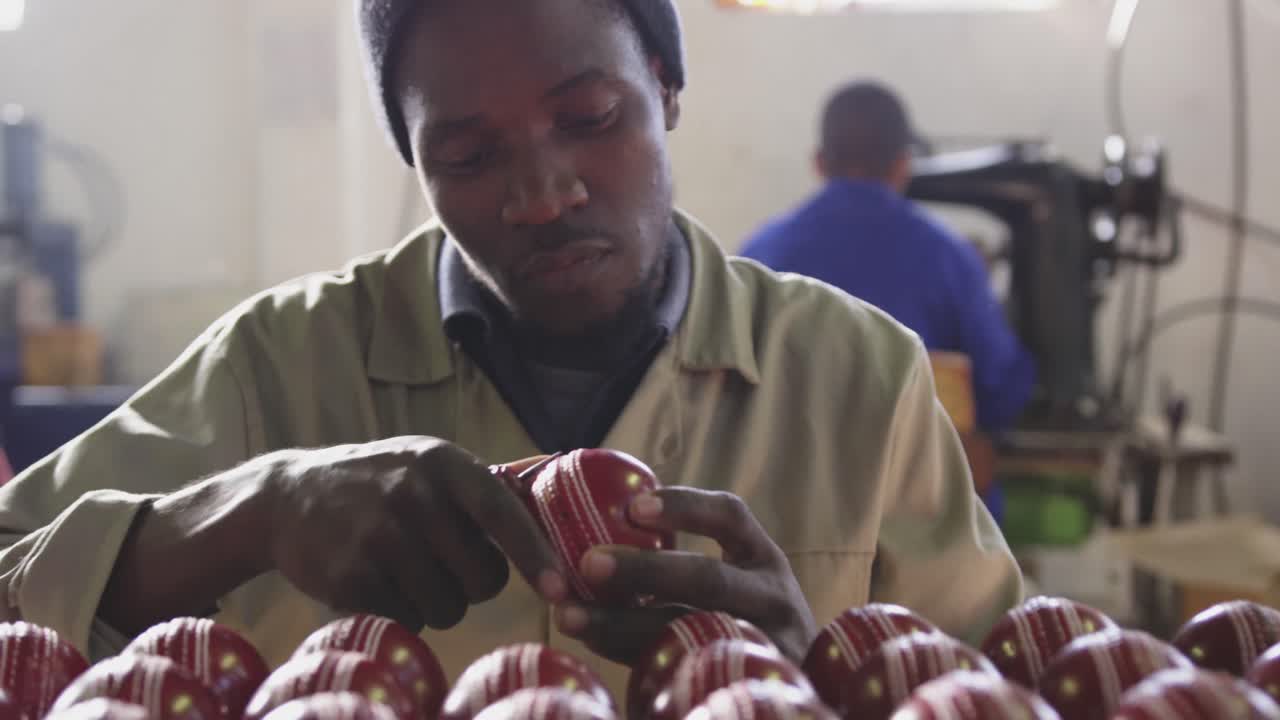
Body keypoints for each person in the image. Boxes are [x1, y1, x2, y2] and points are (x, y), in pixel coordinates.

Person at [0, 0, 1021, 695]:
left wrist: (812, 677)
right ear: (414, 159)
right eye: (467, 154)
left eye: (588, 117)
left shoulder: (861, 383)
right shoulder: (278, 369)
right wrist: (251, 515)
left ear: (665, 88)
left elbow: (997, 686)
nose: (541, 194)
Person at [740, 81, 1036, 434]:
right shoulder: (949, 257)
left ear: (818, 163)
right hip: (912, 477)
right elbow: (1000, 387)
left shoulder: (759, 254)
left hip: (787, 478)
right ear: (903, 165)